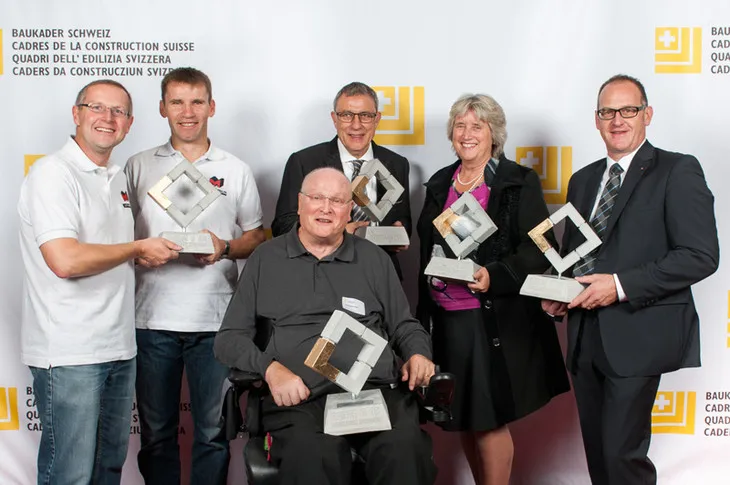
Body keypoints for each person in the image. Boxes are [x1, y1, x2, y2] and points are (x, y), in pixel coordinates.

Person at [541, 74, 719, 485]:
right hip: (585, 341)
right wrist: (560, 293)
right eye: (607, 111)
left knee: (624, 460)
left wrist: (619, 286)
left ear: (647, 115)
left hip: (638, 336)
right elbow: (580, 260)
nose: (617, 120)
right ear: (596, 120)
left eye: (628, 110)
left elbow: (701, 256)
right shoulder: (583, 180)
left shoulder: (678, 170)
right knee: (600, 460)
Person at [215, 167, 437, 485]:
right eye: (317, 198)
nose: (326, 208)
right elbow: (229, 339)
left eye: (337, 200)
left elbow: (404, 324)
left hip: (372, 392)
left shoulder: (374, 259)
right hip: (301, 398)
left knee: (404, 451)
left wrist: (418, 353)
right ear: (300, 203)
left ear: (349, 209)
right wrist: (270, 370)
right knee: (315, 456)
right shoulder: (266, 258)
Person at [18, 79, 180, 485]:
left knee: (107, 470)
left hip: (118, 347)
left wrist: (144, 253)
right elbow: (65, 260)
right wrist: (136, 247)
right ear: (76, 114)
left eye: (119, 112)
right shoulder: (53, 173)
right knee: (69, 475)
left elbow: (111, 252)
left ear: (129, 124)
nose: (108, 119)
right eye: (97, 108)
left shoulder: (115, 177)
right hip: (70, 351)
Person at [416, 94, 570, 485]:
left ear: (493, 134)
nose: (467, 134)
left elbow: (540, 247)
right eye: (460, 126)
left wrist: (493, 275)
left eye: (477, 126)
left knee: (488, 420)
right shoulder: (438, 183)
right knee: (465, 418)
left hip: (491, 323)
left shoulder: (517, 181)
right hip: (446, 321)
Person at [125, 67, 265, 485]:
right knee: (156, 437)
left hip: (217, 323)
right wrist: (140, 253)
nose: (188, 112)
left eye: (197, 102)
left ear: (212, 106)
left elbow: (257, 236)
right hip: (151, 321)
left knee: (211, 435)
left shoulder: (235, 168)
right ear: (163, 108)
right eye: (178, 102)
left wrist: (224, 247)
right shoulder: (138, 166)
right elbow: (118, 237)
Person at [271, 81, 411, 277]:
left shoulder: (397, 164)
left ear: (377, 119)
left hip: (379, 274)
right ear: (334, 119)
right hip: (319, 272)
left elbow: (404, 220)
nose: (356, 125)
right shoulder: (304, 162)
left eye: (365, 115)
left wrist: (399, 231)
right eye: (346, 115)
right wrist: (338, 232)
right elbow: (283, 226)